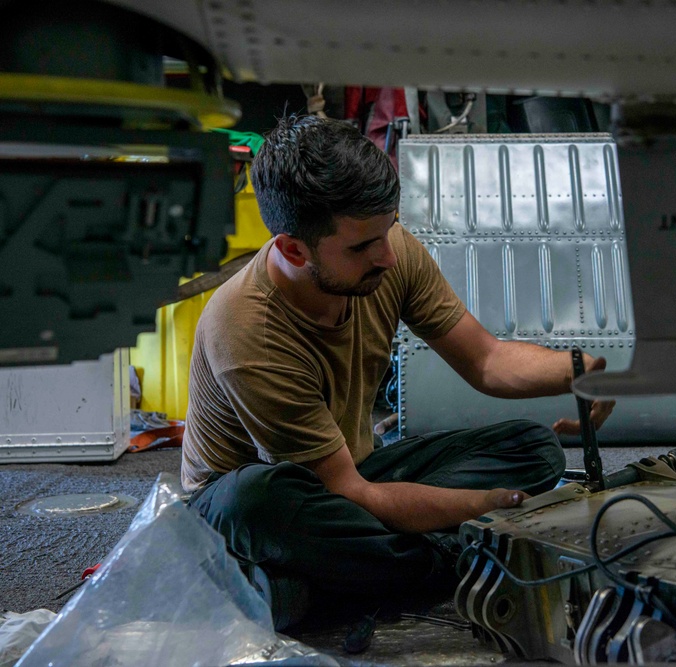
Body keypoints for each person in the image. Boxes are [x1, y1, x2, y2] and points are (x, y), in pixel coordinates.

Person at [182, 115, 614, 629]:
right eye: (363, 246)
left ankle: (333, 582)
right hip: (261, 504)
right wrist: (488, 504)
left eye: (388, 229)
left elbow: (487, 360)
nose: (388, 255)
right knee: (254, 502)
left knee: (534, 449)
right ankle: (453, 563)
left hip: (352, 474)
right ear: (292, 248)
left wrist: (577, 370)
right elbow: (350, 494)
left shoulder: (388, 249)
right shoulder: (245, 327)